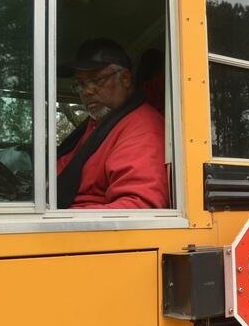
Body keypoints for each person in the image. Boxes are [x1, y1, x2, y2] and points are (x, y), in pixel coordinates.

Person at [56, 38, 168, 209]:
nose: (87, 91)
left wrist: (57, 221)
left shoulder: (142, 128)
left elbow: (138, 208)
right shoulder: (97, 124)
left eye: (97, 79)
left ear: (125, 79)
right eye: (81, 84)